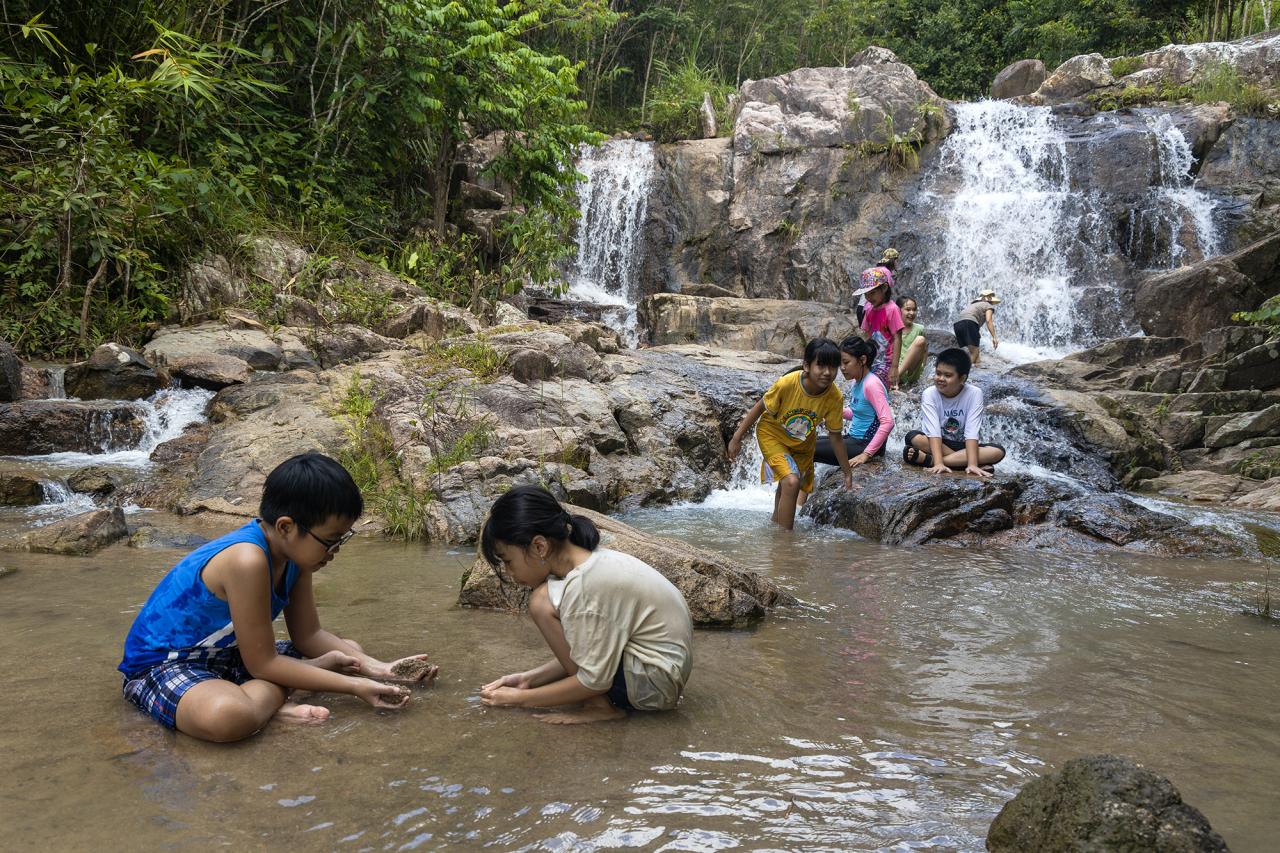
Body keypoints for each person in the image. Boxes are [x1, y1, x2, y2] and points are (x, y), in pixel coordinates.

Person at [118, 452, 439, 742]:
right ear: (286, 527)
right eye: (329, 540)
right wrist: (355, 687)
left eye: (342, 539)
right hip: (164, 666)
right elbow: (263, 663)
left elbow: (309, 634)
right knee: (228, 716)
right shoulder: (247, 559)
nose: (335, 551)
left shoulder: (295, 560)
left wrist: (379, 669)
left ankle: (271, 703)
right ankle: (277, 700)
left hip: (228, 657)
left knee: (351, 654)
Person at [479, 486, 693, 725]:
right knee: (544, 598)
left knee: (540, 602)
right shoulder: (593, 563)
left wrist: (520, 698)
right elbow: (594, 648)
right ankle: (597, 702)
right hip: (657, 673)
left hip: (651, 689)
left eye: (508, 561)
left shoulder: (584, 586)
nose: (509, 572)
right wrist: (528, 679)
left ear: (539, 546)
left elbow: (594, 680)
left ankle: (599, 707)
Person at [728, 338, 852, 530]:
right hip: (772, 436)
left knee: (787, 485)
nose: (827, 373)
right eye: (821, 366)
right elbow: (760, 406)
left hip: (802, 445)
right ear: (806, 366)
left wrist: (847, 473)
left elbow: (835, 436)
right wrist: (737, 438)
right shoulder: (787, 383)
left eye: (833, 367)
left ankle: (775, 529)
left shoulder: (834, 397)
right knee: (792, 481)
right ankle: (785, 544)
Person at [902, 348, 1007, 478]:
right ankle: (960, 461)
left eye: (948, 375)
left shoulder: (974, 393)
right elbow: (933, 431)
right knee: (914, 437)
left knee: (998, 451)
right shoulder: (930, 393)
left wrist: (972, 464)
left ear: (962, 378)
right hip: (939, 444)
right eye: (938, 373)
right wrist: (939, 464)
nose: (940, 378)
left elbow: (972, 431)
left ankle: (929, 460)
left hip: (964, 446)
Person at [814, 335, 894, 467]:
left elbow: (888, 422)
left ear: (862, 360)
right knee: (807, 442)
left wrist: (866, 454)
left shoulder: (871, 384)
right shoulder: (857, 382)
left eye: (846, 362)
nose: (842, 368)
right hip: (853, 440)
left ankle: (800, 487)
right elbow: (860, 414)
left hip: (865, 444)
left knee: (809, 448)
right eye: (840, 363)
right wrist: (833, 411)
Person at [855, 267, 905, 390]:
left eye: (872, 293)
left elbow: (897, 338)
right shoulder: (869, 309)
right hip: (872, 360)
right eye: (866, 294)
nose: (868, 297)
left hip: (887, 363)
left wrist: (894, 367)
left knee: (875, 387)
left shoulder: (892, 309)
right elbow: (866, 335)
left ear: (884, 288)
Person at [952, 289, 1000, 367]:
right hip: (969, 323)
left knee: (975, 351)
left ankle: (977, 368)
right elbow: (989, 321)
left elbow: (970, 320)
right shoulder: (988, 305)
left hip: (958, 325)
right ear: (990, 299)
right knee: (974, 353)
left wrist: (976, 333)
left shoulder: (974, 305)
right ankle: (962, 373)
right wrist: (994, 337)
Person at [896, 295, 928, 387]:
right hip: (895, 368)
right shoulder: (892, 328)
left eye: (914, 310)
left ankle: (896, 378)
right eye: (908, 309)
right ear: (898, 310)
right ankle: (896, 376)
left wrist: (922, 367)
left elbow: (925, 350)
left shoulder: (919, 329)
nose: (912, 313)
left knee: (920, 340)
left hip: (911, 371)